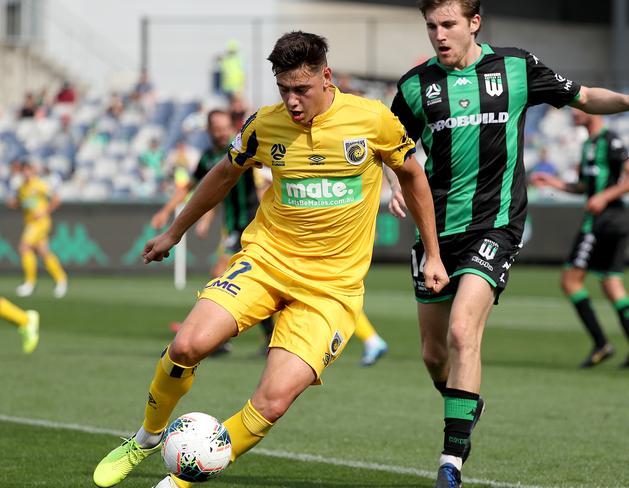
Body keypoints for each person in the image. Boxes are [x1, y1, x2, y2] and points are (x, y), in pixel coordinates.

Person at [92, 31, 447, 488]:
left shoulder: (372, 120)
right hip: (266, 261)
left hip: (330, 290)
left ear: (327, 77)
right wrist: (174, 231)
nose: (293, 101)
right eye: (284, 90)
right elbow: (223, 174)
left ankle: (178, 482)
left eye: (302, 89)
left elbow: (413, 176)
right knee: (186, 346)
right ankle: (145, 438)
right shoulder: (265, 124)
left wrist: (433, 254)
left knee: (274, 400)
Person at [387, 1, 629, 486]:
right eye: (431, 26)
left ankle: (451, 462)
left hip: (497, 224)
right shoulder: (412, 86)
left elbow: (584, 96)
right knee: (433, 353)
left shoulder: (516, 68)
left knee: (464, 333)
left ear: (474, 23)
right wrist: (389, 183)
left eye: (448, 24)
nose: (439, 35)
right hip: (436, 231)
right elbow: (392, 146)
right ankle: (467, 403)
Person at [531, 110, 629, 368]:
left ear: (593, 112)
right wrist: (554, 183)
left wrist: (605, 197)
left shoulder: (609, 140)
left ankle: (601, 343)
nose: (572, 112)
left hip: (602, 223)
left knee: (570, 281)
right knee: (611, 283)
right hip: (607, 222)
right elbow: (584, 187)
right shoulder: (588, 145)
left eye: (577, 108)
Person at [151, 109, 274, 353]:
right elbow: (197, 188)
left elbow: (266, 177)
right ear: (208, 130)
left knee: (220, 275)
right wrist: (166, 211)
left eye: (223, 127)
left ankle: (213, 338)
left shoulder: (245, 148)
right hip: (233, 227)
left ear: (231, 126)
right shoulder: (208, 157)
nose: (220, 133)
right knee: (245, 281)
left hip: (251, 224)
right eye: (215, 128)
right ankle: (268, 337)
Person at [8, 160, 68, 298]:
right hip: (30, 223)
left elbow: (57, 199)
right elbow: (20, 203)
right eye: (24, 170)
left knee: (24, 247)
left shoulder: (40, 184)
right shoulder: (22, 188)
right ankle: (61, 279)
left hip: (40, 223)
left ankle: (29, 283)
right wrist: (14, 204)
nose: (26, 173)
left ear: (33, 171)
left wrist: (45, 211)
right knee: (43, 252)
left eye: (28, 170)